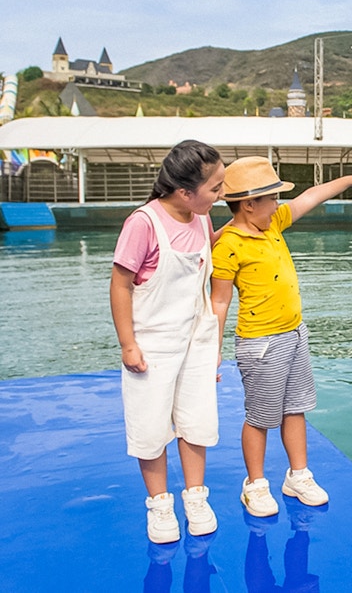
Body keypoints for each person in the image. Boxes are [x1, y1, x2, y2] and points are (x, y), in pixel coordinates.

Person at [211, 156, 352, 517]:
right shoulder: (229, 245)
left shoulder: (272, 224)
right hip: (260, 342)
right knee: (260, 417)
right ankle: (254, 484)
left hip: (294, 334)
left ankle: (297, 475)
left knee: (295, 408)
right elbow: (219, 301)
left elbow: (310, 197)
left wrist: (350, 180)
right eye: (271, 198)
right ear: (249, 204)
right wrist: (212, 350)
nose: (279, 204)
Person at [110, 139, 225, 544]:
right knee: (151, 425)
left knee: (196, 421)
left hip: (195, 339)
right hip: (153, 343)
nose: (220, 194)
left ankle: (195, 497)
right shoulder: (143, 223)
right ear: (184, 191)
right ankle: (160, 505)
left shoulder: (202, 219)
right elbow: (121, 284)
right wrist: (128, 344)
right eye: (215, 188)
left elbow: (204, 265)